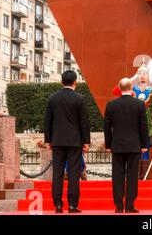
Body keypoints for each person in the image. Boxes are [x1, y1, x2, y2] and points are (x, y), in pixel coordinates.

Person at [44, 70, 91, 213]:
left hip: (57, 141)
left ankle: (58, 204)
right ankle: (72, 205)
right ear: (75, 82)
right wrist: (86, 141)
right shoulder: (80, 99)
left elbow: (48, 121)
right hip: (75, 142)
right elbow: (84, 122)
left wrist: (48, 140)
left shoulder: (53, 98)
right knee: (74, 173)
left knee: (57, 173)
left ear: (61, 82)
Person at [104, 78, 149, 213]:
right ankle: (130, 205)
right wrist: (144, 144)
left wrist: (108, 144)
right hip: (134, 145)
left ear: (119, 87)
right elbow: (143, 126)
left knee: (117, 176)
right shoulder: (139, 104)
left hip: (117, 145)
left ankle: (118, 206)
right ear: (131, 87)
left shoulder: (111, 105)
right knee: (132, 176)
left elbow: (106, 126)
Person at [132, 62, 152, 180]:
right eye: (140, 73)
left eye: (144, 73)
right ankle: (135, 176)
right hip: (134, 125)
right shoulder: (132, 90)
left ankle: (144, 175)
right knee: (135, 149)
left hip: (147, 124)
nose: (142, 76)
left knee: (146, 149)